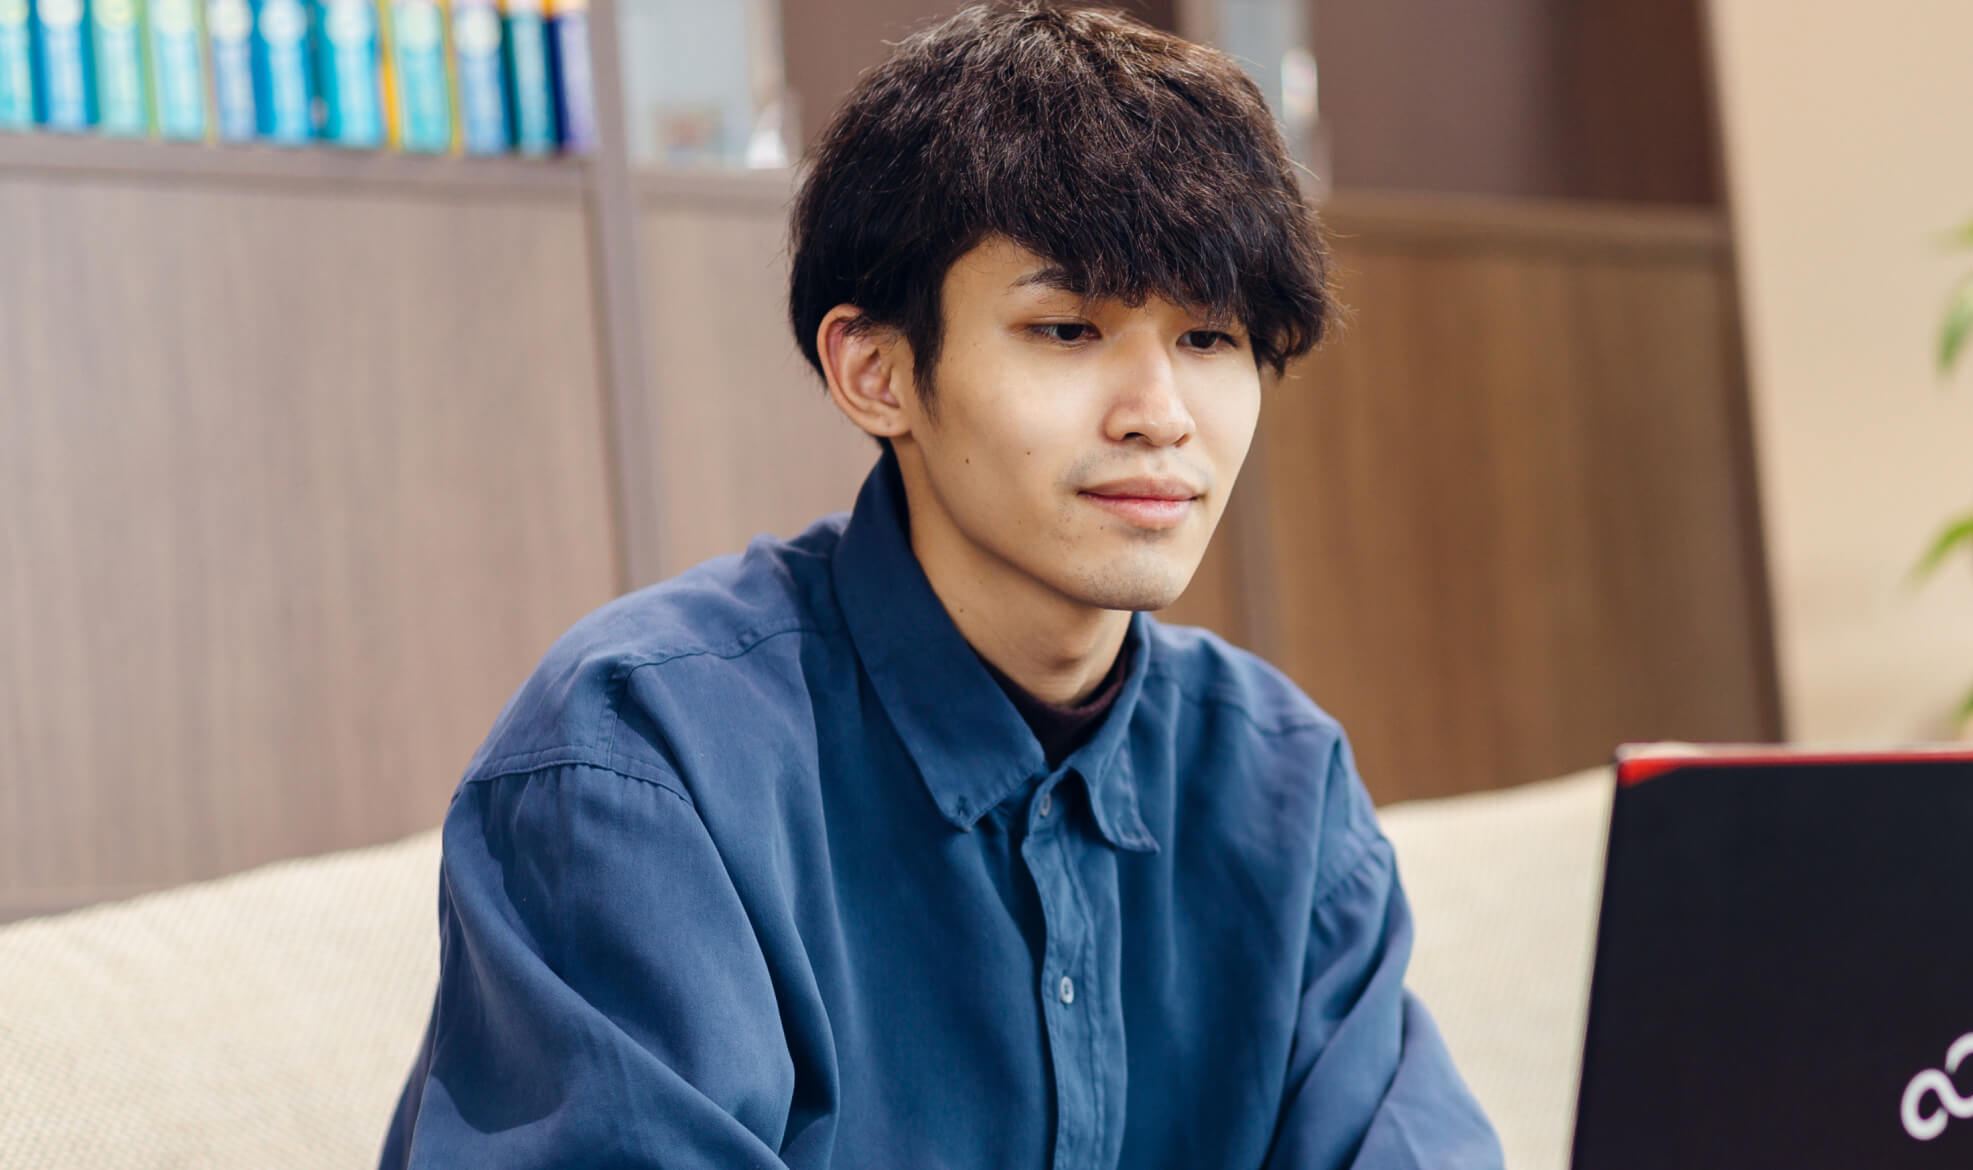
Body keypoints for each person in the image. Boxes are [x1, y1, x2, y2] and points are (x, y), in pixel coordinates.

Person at [378, 4, 1501, 1167]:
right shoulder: (644, 761)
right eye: (1067, 329)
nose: (1161, 416)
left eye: (1210, 339)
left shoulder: (1279, 783)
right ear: (875, 371)